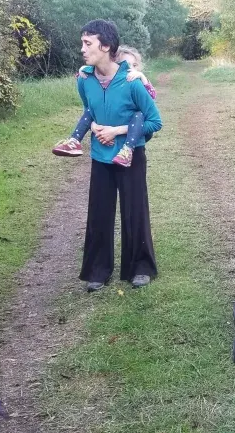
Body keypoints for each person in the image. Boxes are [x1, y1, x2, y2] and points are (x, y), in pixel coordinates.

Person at [68, 19, 162, 291]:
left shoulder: (132, 82)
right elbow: (89, 111)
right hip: (100, 156)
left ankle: (140, 267)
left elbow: (154, 122)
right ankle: (98, 270)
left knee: (134, 212)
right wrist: (96, 126)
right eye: (82, 43)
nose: (83, 49)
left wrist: (117, 131)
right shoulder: (85, 80)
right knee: (99, 213)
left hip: (131, 156)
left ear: (106, 46)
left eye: (88, 43)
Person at [52, 45, 155, 167]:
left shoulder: (137, 81)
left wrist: (143, 78)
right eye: (126, 65)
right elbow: (91, 104)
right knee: (90, 110)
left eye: (134, 65)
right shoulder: (108, 81)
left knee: (139, 114)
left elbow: (152, 97)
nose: (130, 69)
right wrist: (84, 69)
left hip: (136, 126)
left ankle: (128, 149)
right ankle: (74, 141)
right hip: (102, 148)